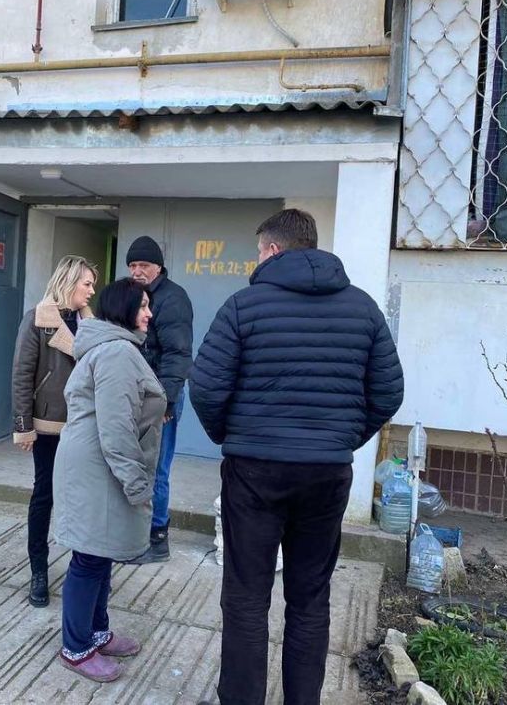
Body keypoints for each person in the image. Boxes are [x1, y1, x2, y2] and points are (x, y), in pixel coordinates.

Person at [189, 209, 404, 705]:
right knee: (310, 598)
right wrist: (341, 439)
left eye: (257, 251)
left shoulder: (243, 306)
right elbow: (388, 393)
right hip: (326, 474)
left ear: (272, 249)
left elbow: (205, 387)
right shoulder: (363, 308)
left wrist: (231, 436)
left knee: (246, 598)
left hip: (253, 472)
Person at [52, 278, 167, 682]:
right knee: (89, 557)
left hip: (96, 463)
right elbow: (117, 429)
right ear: (124, 309)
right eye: (143, 306)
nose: (149, 313)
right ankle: (76, 648)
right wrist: (138, 485)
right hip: (97, 466)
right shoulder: (117, 352)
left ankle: (96, 632)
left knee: (98, 553)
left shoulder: (114, 348)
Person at [11, 255, 98, 608]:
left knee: (81, 498)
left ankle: (83, 571)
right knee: (44, 495)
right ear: (70, 282)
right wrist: (24, 426)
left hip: (83, 425)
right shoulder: (37, 319)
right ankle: (39, 572)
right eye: (87, 284)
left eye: (92, 285)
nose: (91, 291)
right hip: (49, 425)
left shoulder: (91, 325)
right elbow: (21, 374)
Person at [125, 235, 193, 564]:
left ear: (158, 267)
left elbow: (177, 354)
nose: (137, 271)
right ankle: (134, 532)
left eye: (144, 265)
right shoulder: (130, 294)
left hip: (160, 398)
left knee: (157, 469)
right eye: (132, 265)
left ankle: (157, 537)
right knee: (134, 465)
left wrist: (167, 401)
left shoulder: (173, 299)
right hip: (133, 394)